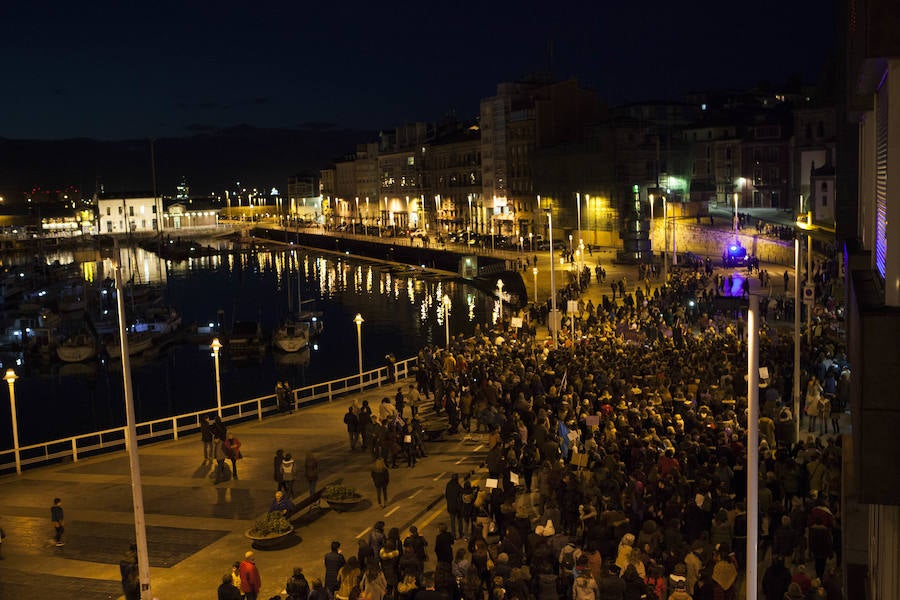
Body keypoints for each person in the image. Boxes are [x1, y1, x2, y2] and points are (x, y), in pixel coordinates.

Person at [445, 473, 463, 539]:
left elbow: (446, 495)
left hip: (450, 506)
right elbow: (462, 492)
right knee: (459, 521)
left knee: (452, 522)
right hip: (458, 507)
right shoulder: (457, 486)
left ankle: (453, 535)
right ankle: (460, 533)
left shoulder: (448, 485)